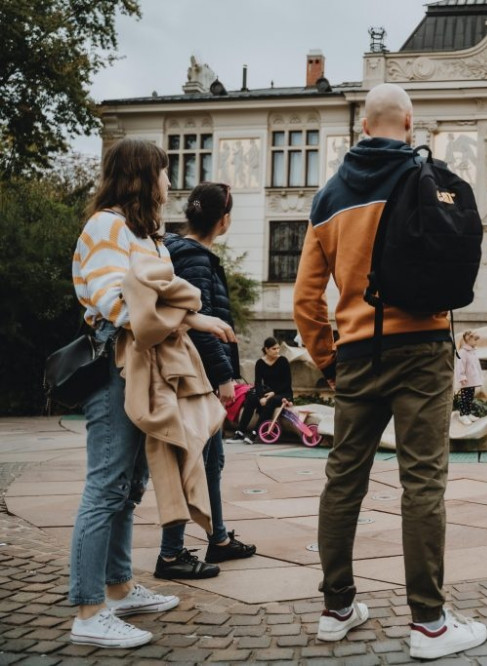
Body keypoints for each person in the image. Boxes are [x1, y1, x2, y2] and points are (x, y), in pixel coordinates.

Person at [292, 82, 487, 660]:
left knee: (343, 479)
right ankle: (428, 624)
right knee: (422, 482)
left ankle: (337, 608)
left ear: (361, 127)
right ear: (408, 121)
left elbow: (306, 300)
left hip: (355, 354)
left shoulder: (328, 198)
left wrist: (330, 360)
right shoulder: (427, 178)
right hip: (424, 347)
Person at [69, 138, 236, 648]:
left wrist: (184, 313)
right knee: (107, 484)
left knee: (131, 483)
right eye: (164, 173)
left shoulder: (146, 234)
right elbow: (117, 303)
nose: (170, 183)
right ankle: (88, 608)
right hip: (120, 358)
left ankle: (119, 588)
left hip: (148, 362)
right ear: (144, 175)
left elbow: (152, 298)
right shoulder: (106, 226)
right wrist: (189, 313)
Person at [154, 182, 256, 581]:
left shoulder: (180, 250)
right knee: (192, 459)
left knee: (210, 459)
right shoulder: (195, 258)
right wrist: (224, 377)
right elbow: (201, 323)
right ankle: (171, 553)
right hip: (194, 376)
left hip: (194, 372)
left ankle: (217, 537)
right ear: (223, 219)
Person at [233, 337, 293, 442]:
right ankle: (240, 431)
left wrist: (273, 393)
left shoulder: (283, 361)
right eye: (274, 349)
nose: (277, 351)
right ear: (266, 349)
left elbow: (287, 383)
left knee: (272, 401)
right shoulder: (260, 363)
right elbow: (258, 383)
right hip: (266, 391)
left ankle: (255, 433)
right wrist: (261, 397)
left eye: (278, 348)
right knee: (251, 398)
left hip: (283, 392)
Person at [454, 330, 484, 425]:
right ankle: (463, 415)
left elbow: (475, 366)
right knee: (464, 397)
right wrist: (462, 376)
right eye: (475, 339)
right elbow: (460, 365)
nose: (476, 342)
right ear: (468, 339)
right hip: (466, 380)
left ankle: (468, 413)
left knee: (470, 397)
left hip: (472, 379)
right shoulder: (463, 352)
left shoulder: (472, 352)